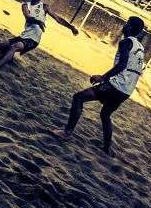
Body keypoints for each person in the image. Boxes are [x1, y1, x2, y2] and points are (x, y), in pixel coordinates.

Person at [54, 15, 145, 155]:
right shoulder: (140, 48)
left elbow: (122, 65)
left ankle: (67, 132)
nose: (124, 25)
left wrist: (103, 78)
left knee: (78, 97)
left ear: (130, 27)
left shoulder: (126, 42)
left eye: (127, 23)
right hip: (126, 91)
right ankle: (107, 148)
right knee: (105, 115)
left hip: (115, 86)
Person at [0, 0, 79, 69]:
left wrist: (71, 27)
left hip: (33, 39)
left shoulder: (44, 7)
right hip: (23, 36)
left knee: (15, 46)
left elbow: (58, 19)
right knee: (1, 46)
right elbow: (28, 17)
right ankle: (10, 57)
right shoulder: (25, 5)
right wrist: (38, 22)